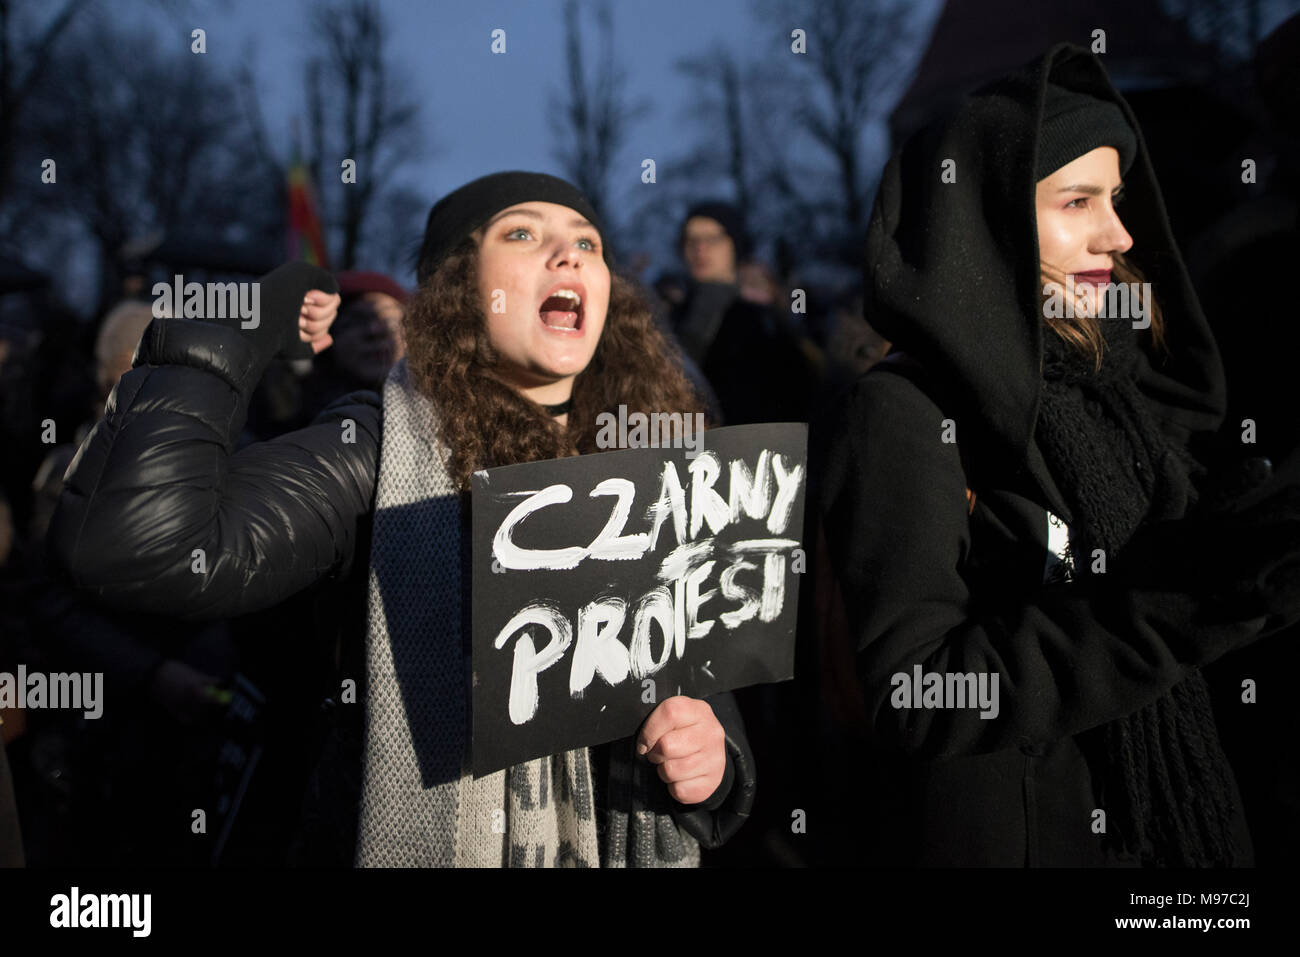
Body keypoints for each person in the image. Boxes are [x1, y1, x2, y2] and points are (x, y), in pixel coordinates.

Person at [48, 171, 754, 868]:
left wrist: (710, 763)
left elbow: (708, 702)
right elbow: (139, 547)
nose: (568, 255)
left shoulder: (658, 471)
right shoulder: (381, 445)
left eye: (588, 243)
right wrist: (243, 321)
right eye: (521, 233)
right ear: (458, 289)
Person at [817, 43, 1300, 867]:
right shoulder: (905, 411)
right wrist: (1180, 604)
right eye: (1078, 201)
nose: (1118, 232)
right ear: (992, 220)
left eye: (1115, 199)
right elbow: (916, 692)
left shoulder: (1124, 390)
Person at [671, 201, 815, 425]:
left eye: (713, 239)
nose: (700, 248)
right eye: (691, 239)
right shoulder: (667, 315)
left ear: (735, 245)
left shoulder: (765, 318)